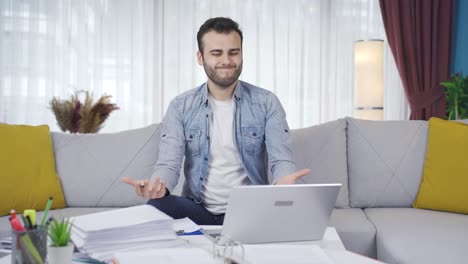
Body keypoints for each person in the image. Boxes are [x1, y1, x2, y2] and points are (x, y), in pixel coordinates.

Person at [122, 17, 310, 225]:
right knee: (157, 206)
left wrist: (282, 183)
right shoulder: (180, 106)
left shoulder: (267, 102)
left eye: (233, 52)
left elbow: (281, 160)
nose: (226, 60)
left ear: (241, 54)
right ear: (200, 57)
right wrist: (159, 187)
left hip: (251, 210)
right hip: (198, 210)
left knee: (293, 216)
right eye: (216, 53)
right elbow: (169, 163)